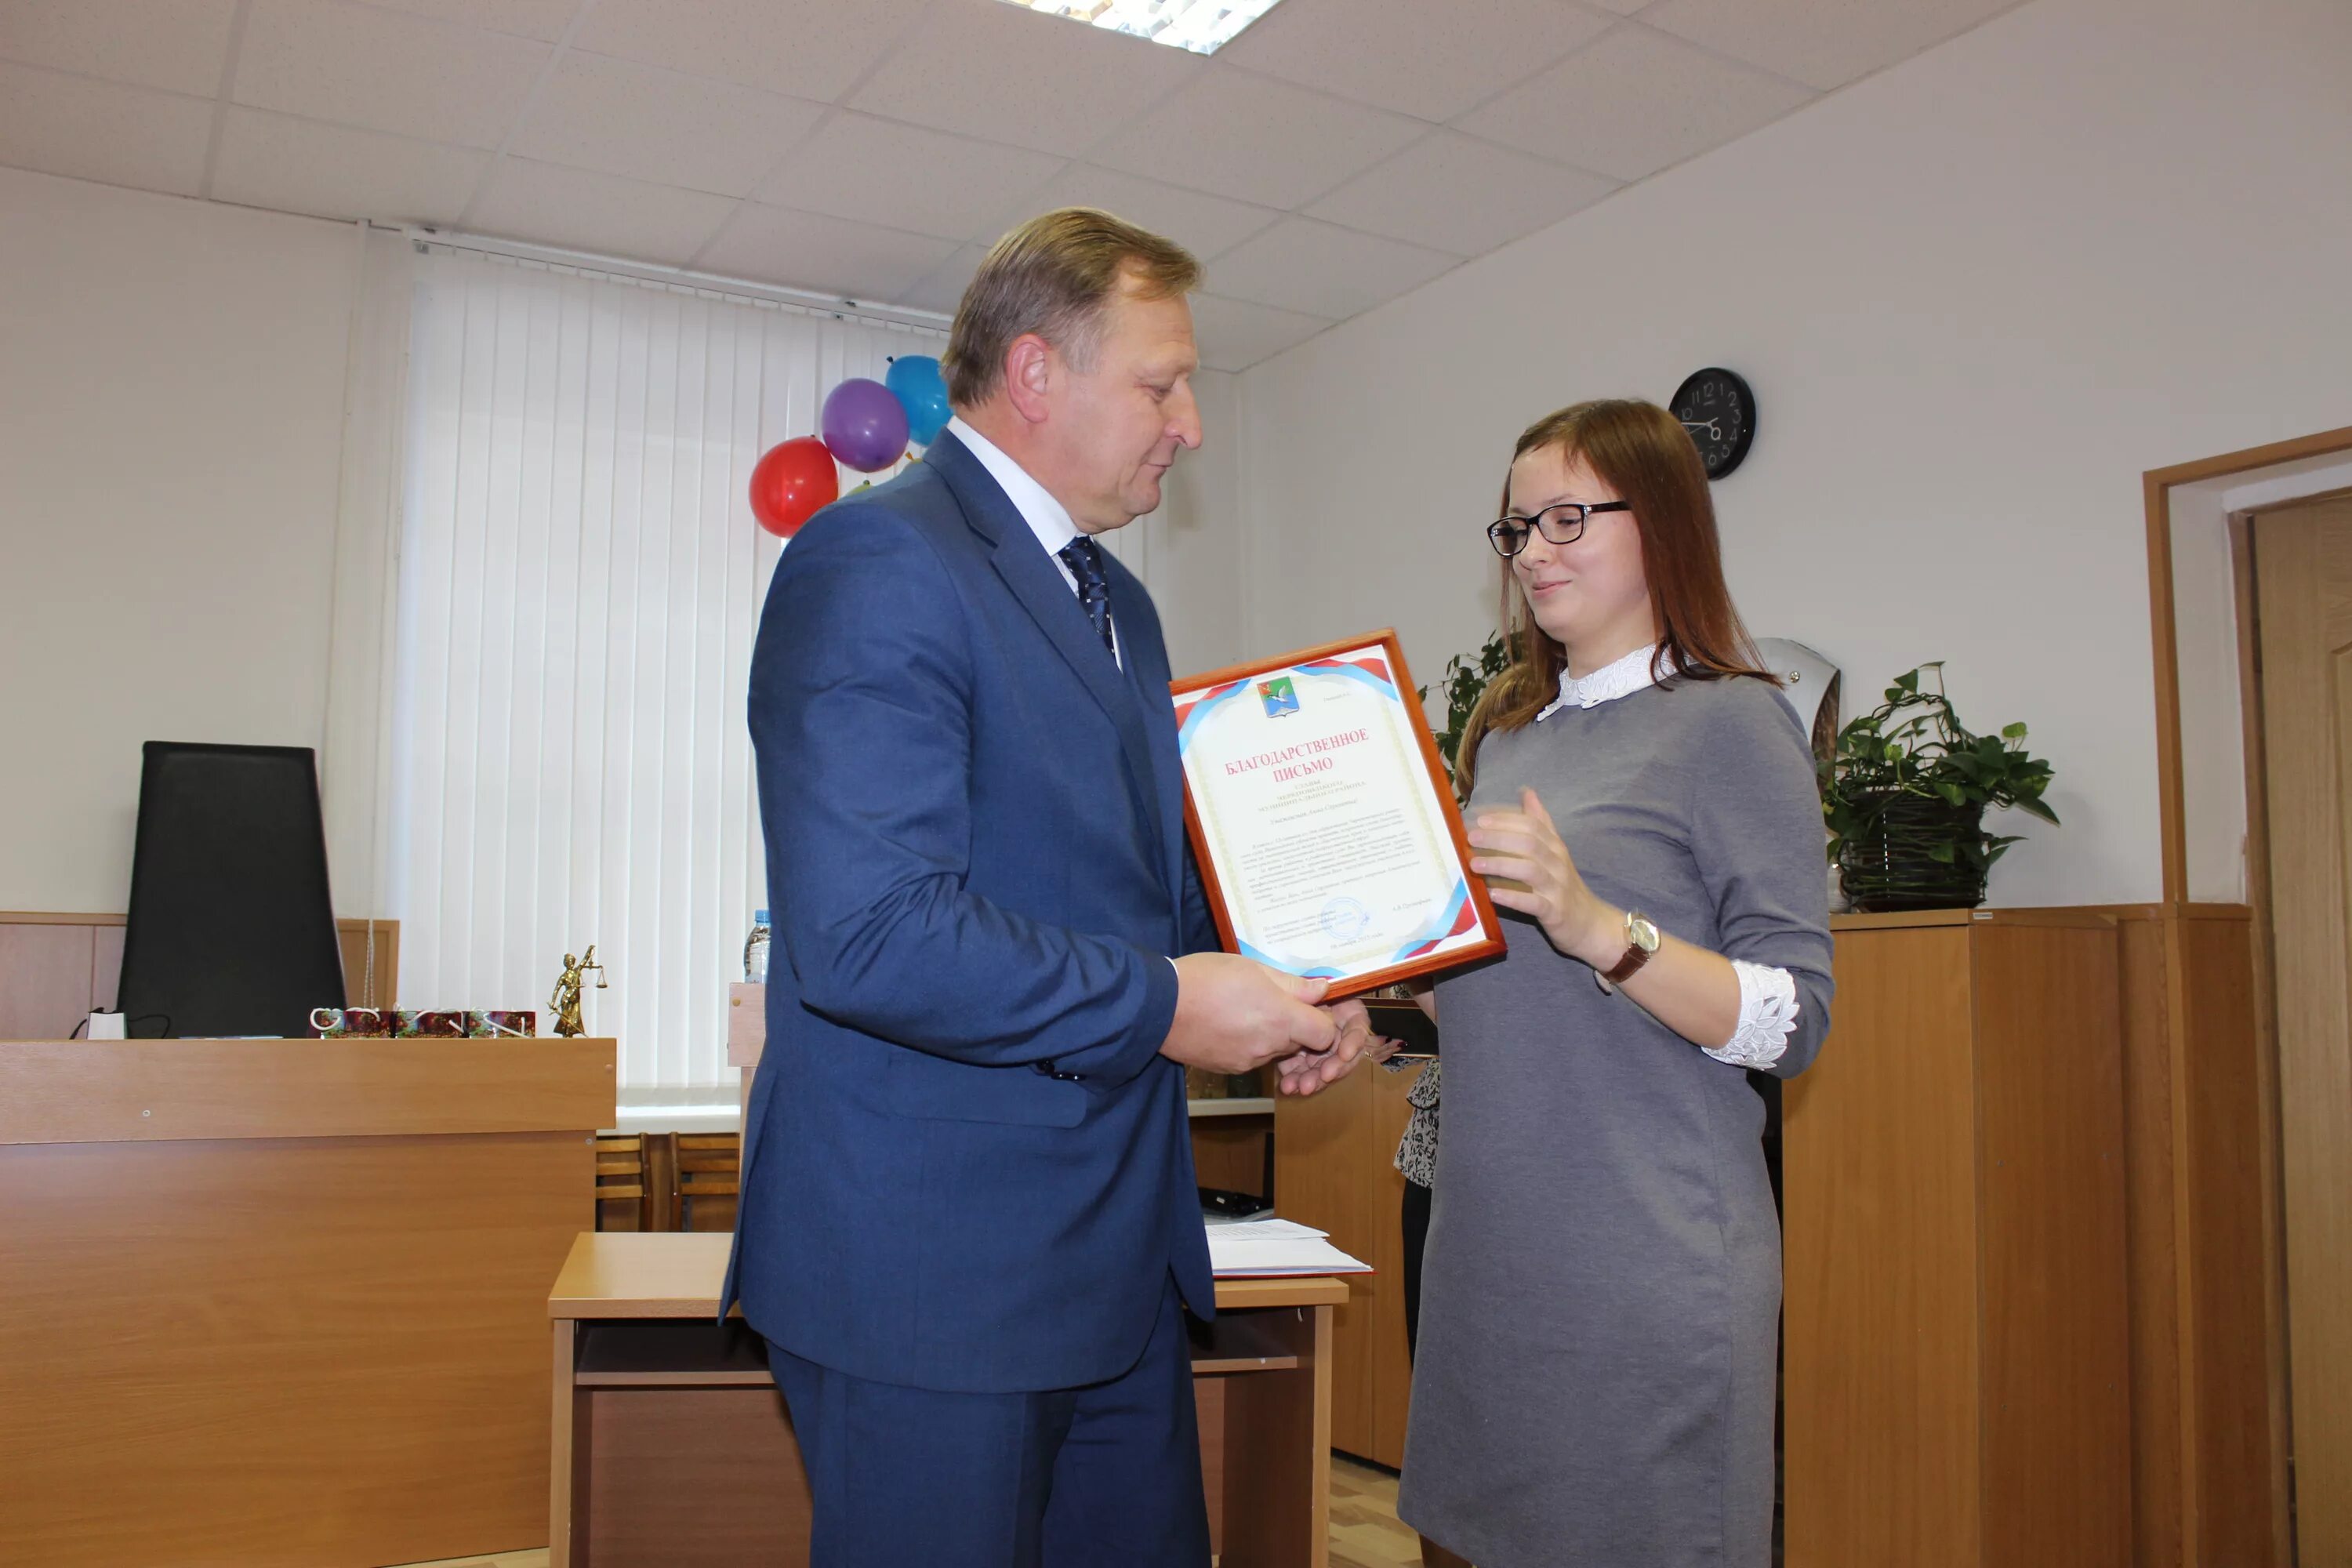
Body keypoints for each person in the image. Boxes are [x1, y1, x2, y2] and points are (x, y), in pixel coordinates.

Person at [725, 209, 1373, 1568]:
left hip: (1116, 1265)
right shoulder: (873, 559)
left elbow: (1143, 895)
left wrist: (1307, 991)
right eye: (1162, 382)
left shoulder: (1117, 607)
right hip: (932, 1279)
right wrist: (1168, 1009)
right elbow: (873, 933)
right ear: (1034, 375)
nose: (1191, 423)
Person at [1396, 399, 1834, 1567]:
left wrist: (1600, 926)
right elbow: (1505, 995)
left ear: (1666, 525)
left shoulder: (1734, 721)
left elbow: (1796, 1018)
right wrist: (1380, 1004)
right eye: (1516, 527)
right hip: (1492, 1257)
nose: (1535, 549)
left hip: (1645, 1267)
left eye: (1568, 517)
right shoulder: (1511, 740)